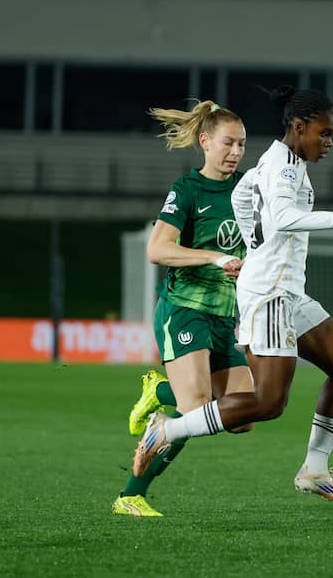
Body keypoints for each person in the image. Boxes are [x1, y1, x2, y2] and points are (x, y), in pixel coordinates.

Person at [132, 86, 333, 504]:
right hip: (269, 295)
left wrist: (254, 244)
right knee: (267, 403)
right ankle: (167, 430)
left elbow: (241, 194)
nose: (329, 143)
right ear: (299, 127)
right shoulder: (283, 167)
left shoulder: (280, 161)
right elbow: (282, 217)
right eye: (323, 133)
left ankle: (314, 469)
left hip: (288, 291)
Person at [112, 99, 255, 517]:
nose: (235, 152)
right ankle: (131, 495)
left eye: (242, 145)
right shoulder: (188, 190)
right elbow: (157, 249)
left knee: (245, 414)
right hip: (184, 309)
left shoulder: (249, 190)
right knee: (196, 407)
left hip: (225, 316)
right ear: (205, 141)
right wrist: (214, 258)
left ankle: (159, 392)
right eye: (228, 143)